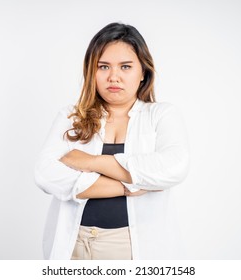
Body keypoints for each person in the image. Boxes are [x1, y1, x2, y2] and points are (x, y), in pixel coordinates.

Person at [34, 22, 189, 260]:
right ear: (91, 72)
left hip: (130, 247)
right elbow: (45, 174)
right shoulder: (70, 116)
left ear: (143, 73)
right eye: (103, 66)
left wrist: (90, 162)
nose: (113, 77)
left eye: (125, 67)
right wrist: (131, 185)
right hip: (73, 242)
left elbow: (174, 167)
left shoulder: (162, 115)